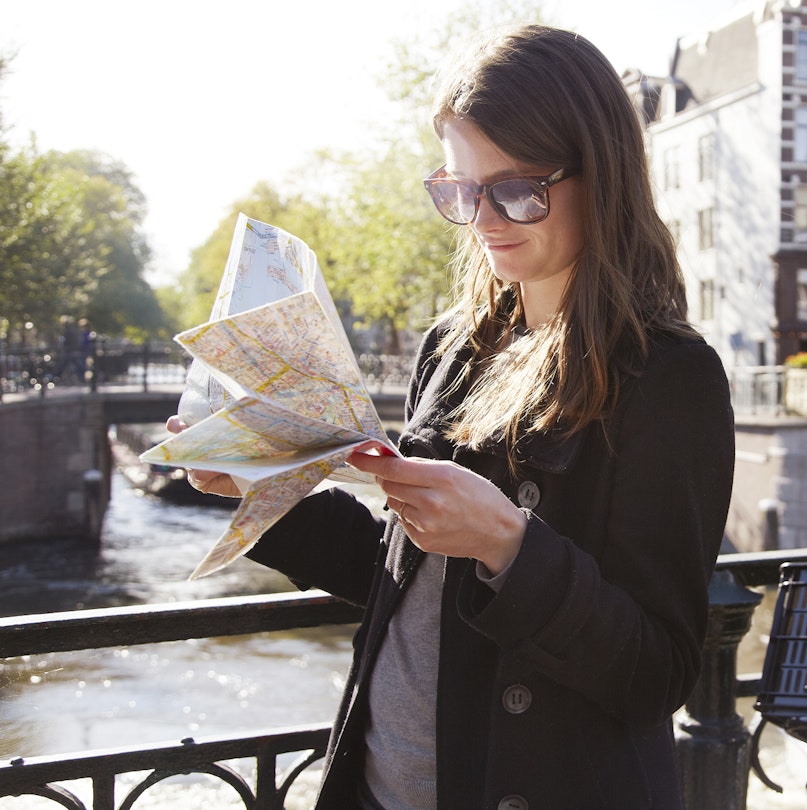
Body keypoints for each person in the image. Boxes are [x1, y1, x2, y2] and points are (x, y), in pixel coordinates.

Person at [170, 24, 735, 810]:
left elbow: (659, 669)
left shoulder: (671, 378)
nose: (486, 218)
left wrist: (509, 545)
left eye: (517, 190)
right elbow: (403, 576)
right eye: (462, 191)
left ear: (599, 176)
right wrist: (264, 490)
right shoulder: (454, 345)